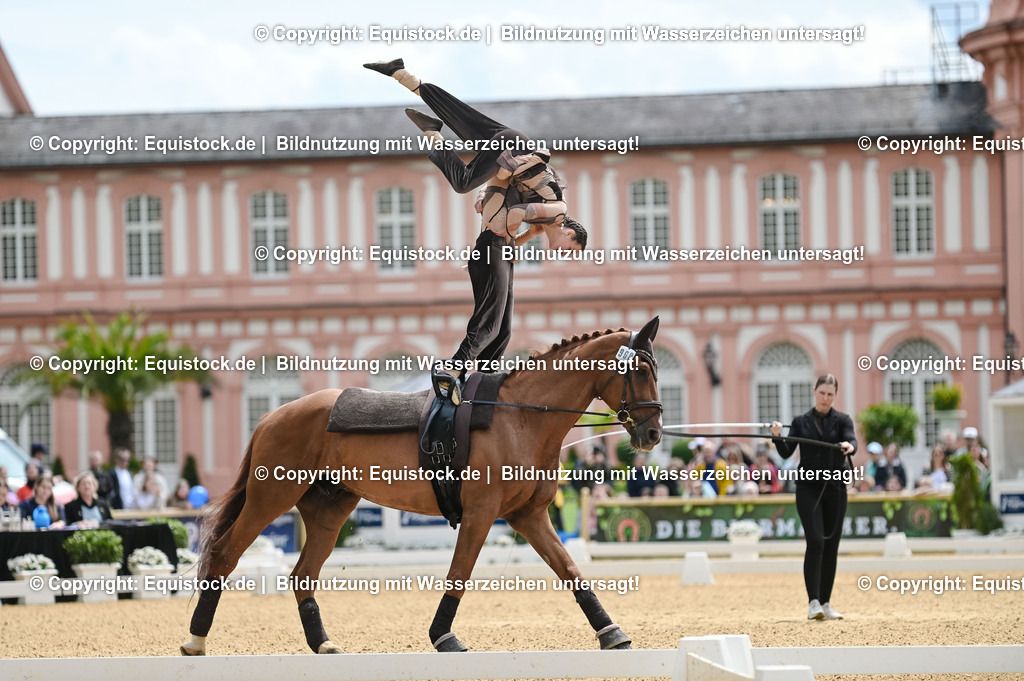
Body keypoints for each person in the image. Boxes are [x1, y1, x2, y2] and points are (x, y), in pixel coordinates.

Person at [364, 58, 587, 403]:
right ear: (571, 234)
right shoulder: (558, 211)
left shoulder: (547, 222)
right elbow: (518, 213)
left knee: (457, 113)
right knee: (463, 182)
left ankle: (402, 74)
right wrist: (499, 221)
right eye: (569, 251)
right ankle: (454, 370)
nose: (562, 255)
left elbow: (524, 228)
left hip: (510, 148)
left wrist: (507, 228)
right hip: (511, 152)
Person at [771, 374, 856, 621]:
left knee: (831, 545)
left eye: (830, 394)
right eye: (822, 393)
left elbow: (851, 440)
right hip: (808, 488)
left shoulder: (843, 420)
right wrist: (777, 435)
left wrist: (849, 446)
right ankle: (814, 602)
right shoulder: (800, 422)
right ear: (814, 392)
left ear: (835, 396)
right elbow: (786, 451)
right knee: (816, 541)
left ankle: (826, 603)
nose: (825, 398)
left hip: (835, 488)